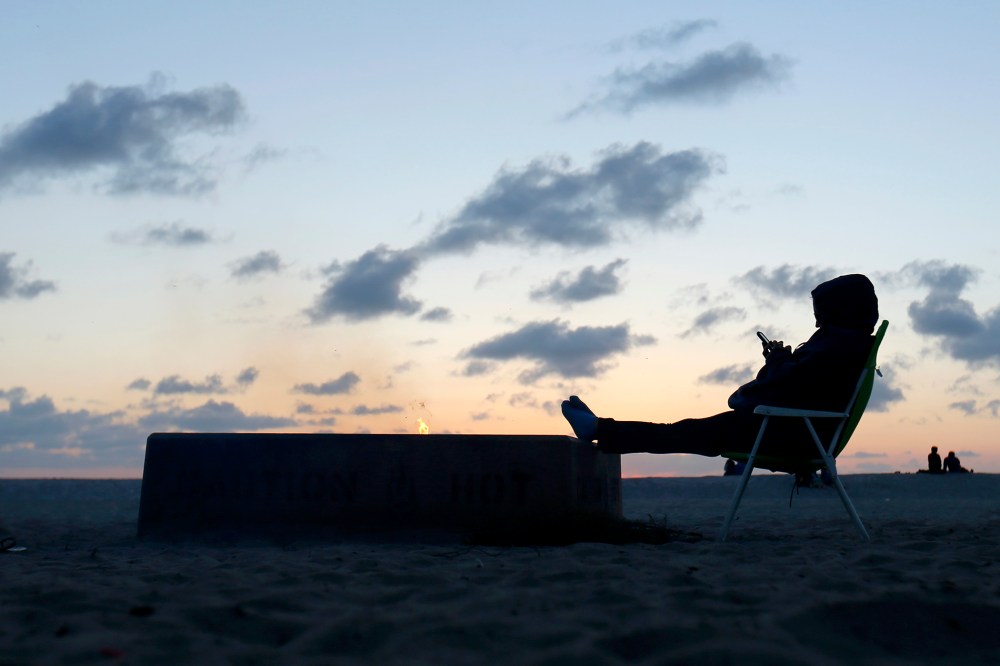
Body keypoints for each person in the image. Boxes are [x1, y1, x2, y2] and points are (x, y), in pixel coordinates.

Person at [561, 274, 879, 467]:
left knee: (680, 432)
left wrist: (778, 363)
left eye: (820, 313)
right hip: (790, 428)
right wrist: (781, 363)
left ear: (841, 308)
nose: (816, 321)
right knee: (681, 431)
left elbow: (785, 389)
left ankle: (599, 430)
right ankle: (601, 429)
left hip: (788, 433)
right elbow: (800, 385)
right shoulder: (847, 342)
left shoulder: (837, 343)